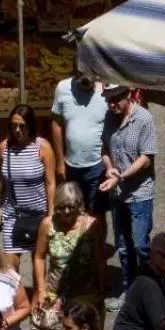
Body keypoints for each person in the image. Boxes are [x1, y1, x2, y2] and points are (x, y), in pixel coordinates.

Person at [99, 86, 157, 305]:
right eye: (108, 100)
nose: (111, 104)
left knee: (140, 245)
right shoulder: (109, 117)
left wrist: (120, 177)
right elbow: (105, 149)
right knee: (123, 246)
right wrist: (109, 168)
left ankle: (151, 289)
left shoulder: (144, 119)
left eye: (115, 99)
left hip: (139, 194)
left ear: (128, 96)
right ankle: (130, 291)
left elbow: (146, 159)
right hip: (118, 195)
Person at [32, 183, 106, 330]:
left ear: (78, 205)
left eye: (71, 207)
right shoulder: (47, 225)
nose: (66, 211)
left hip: (85, 295)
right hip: (56, 294)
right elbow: (39, 257)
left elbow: (99, 259)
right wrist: (41, 290)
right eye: (62, 207)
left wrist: (101, 290)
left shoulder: (92, 225)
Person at [0, 103, 56, 268]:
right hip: (12, 213)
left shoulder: (42, 147)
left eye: (22, 126)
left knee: (38, 263)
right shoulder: (4, 148)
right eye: (14, 125)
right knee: (10, 267)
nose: (17, 130)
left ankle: (38, 287)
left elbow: (50, 183)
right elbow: (2, 180)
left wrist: (51, 214)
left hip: (38, 214)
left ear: (30, 125)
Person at [51, 67, 109, 218]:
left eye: (88, 82)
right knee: (72, 210)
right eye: (80, 79)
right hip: (71, 165)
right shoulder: (63, 88)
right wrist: (60, 161)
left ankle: (96, 235)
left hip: (98, 165)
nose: (85, 86)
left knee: (96, 214)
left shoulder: (106, 89)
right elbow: (57, 124)